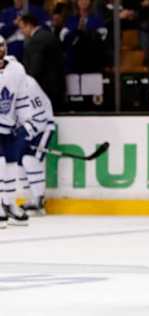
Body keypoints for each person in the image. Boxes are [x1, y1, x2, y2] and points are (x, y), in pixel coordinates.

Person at [15, 75, 55, 216]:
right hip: (24, 128)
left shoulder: (28, 85)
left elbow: (41, 117)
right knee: (18, 163)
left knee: (30, 160)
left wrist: (21, 132)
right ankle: (30, 200)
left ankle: (38, 200)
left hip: (43, 127)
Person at [0, 35, 29, 227]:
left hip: (9, 125)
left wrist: (24, 121)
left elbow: (22, 97)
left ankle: (9, 202)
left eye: (2, 45)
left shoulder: (17, 69)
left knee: (11, 164)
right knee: (0, 163)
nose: (0, 49)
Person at [18, 14, 66, 112]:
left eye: (22, 28)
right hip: (57, 87)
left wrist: (26, 85)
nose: (21, 31)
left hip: (45, 89)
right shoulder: (48, 35)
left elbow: (35, 69)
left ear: (29, 25)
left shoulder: (36, 40)